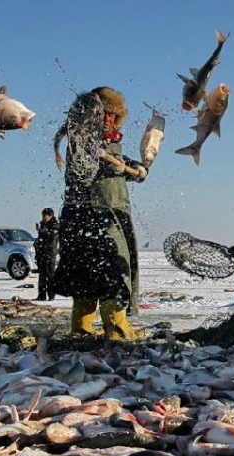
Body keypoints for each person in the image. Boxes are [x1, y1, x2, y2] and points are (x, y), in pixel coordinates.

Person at [52, 87, 148, 339]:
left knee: (107, 275)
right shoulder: (80, 139)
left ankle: (113, 328)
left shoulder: (112, 143)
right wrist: (121, 168)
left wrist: (136, 168)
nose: (109, 120)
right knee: (103, 277)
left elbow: (120, 164)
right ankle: (102, 331)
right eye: (105, 114)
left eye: (113, 116)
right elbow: (88, 170)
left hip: (111, 216)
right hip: (90, 219)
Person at [35, 208, 59, 301]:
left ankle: (51, 296)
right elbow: (41, 239)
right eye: (43, 215)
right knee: (42, 276)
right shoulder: (43, 224)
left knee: (50, 276)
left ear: (51, 216)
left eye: (46, 215)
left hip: (50, 253)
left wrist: (41, 231)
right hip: (41, 253)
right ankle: (41, 296)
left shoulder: (55, 225)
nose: (44, 217)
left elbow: (51, 236)